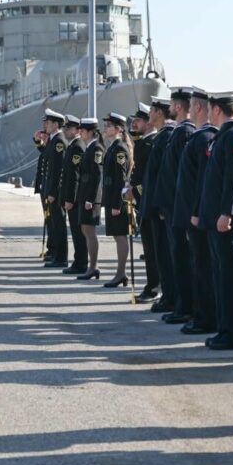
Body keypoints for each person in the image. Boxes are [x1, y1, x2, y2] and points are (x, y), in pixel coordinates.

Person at [199, 91, 233, 351]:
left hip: (224, 222)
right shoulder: (223, 136)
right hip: (214, 220)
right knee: (221, 275)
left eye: (209, 108)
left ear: (217, 109)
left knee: (231, 277)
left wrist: (227, 212)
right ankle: (225, 328)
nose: (207, 113)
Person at [175, 90, 219, 335]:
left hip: (199, 215)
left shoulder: (204, 139)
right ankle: (200, 314)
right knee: (198, 265)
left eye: (192, 105)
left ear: (199, 108)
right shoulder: (200, 138)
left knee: (203, 267)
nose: (189, 108)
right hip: (194, 213)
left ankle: (205, 317)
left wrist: (195, 211)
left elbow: (202, 182)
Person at [158, 87, 196, 324]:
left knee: (182, 258)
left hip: (178, 208)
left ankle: (185, 306)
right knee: (176, 257)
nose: (168, 108)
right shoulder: (179, 132)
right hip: (172, 207)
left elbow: (183, 176)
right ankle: (179, 303)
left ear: (178, 106)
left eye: (171, 104)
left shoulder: (185, 133)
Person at [142, 97, 178, 314]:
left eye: (152, 110)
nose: (149, 115)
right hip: (155, 206)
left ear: (159, 112)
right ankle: (169, 295)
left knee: (165, 255)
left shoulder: (166, 137)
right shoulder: (162, 137)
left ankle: (170, 296)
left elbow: (165, 177)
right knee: (161, 254)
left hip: (160, 208)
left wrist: (160, 206)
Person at [127, 102, 162, 303]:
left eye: (138, 121)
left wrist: (135, 191)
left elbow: (150, 180)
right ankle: (152, 284)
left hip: (149, 203)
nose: (134, 125)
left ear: (148, 123)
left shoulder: (150, 144)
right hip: (143, 202)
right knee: (148, 248)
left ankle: (154, 287)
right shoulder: (143, 143)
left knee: (153, 249)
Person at [100, 112, 133, 287]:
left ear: (118, 129)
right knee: (117, 236)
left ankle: (121, 273)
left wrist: (117, 204)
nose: (105, 128)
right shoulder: (113, 147)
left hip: (116, 201)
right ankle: (120, 273)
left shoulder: (119, 148)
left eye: (108, 126)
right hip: (112, 199)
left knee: (120, 237)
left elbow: (120, 179)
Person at [74, 117, 104, 280]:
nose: (80, 133)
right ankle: (91, 266)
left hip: (91, 198)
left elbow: (96, 175)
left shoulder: (96, 148)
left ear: (90, 132)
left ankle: (93, 266)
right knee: (86, 230)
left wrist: (90, 200)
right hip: (85, 195)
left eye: (83, 131)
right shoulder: (89, 147)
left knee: (89, 231)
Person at [59, 116, 89, 275]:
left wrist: (70, 198)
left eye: (68, 128)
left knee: (78, 233)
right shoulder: (72, 146)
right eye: (64, 128)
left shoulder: (77, 147)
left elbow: (75, 176)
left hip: (75, 200)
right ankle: (78, 261)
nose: (65, 131)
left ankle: (81, 262)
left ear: (77, 130)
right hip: (71, 198)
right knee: (76, 232)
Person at [40, 110, 68, 268]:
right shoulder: (52, 140)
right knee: (53, 223)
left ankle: (61, 257)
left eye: (48, 122)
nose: (45, 125)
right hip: (49, 190)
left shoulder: (58, 142)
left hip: (54, 192)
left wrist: (52, 192)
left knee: (58, 224)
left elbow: (57, 170)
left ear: (56, 124)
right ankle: (56, 254)